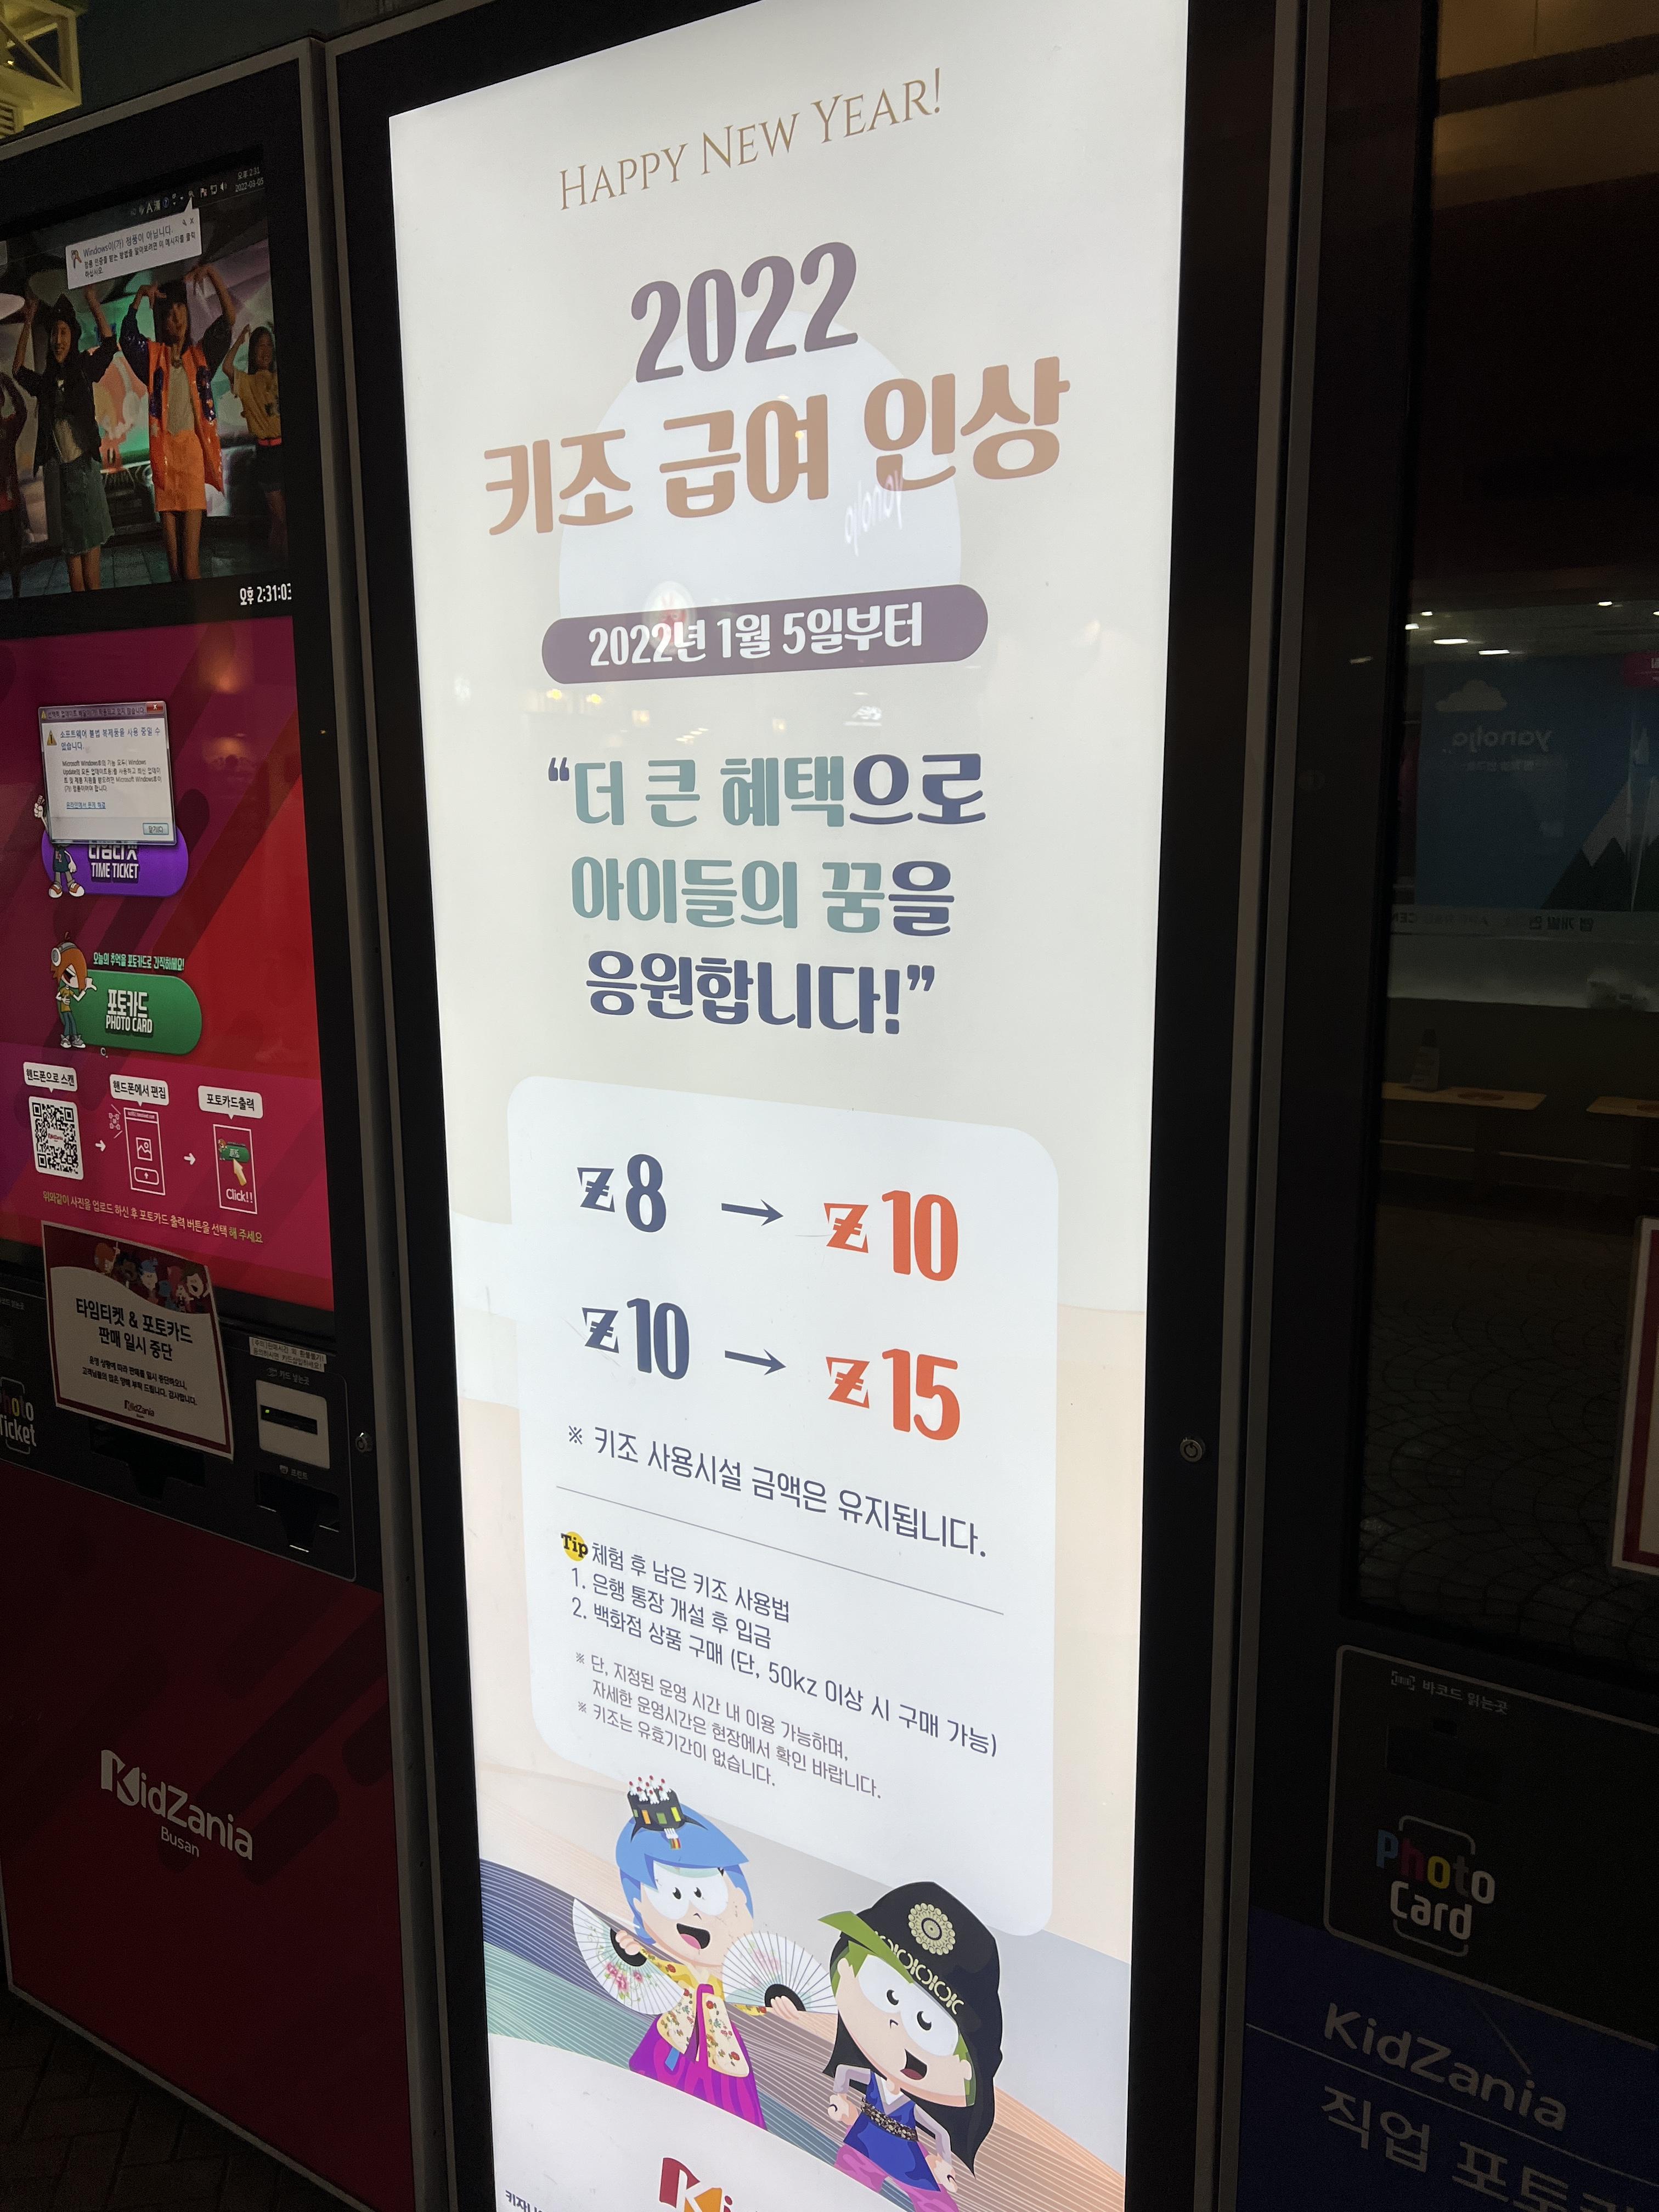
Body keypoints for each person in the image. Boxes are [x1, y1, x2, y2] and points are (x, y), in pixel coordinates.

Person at [576, 1779, 798, 2128]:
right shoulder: (676, 1970)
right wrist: (634, 1953)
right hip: (673, 2041)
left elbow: (747, 1998)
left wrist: (773, 2001)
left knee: (725, 2117)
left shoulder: (729, 1977)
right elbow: (655, 1970)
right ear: (639, 1905)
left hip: (720, 2051)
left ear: (739, 1898)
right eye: (672, 1898)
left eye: (706, 1895)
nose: (693, 1915)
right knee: (654, 2107)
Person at [821, 1882, 1003, 2207]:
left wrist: (943, 2160)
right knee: (841, 2192)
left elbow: (939, 2131)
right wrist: (841, 2098)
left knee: (936, 2204)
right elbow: (847, 2072)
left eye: (927, 2025)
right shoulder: (875, 2081)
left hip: (906, 2155)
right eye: (888, 1997)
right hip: (863, 2142)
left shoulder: (910, 2102)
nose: (897, 2029)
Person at [120, 263, 235, 581]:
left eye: (181, 309)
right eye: (170, 312)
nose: (177, 316)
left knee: (190, 565)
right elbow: (127, 337)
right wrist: (139, 296)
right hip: (164, 459)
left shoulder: (200, 356)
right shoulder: (154, 357)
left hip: (192, 457)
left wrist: (212, 274)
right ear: (163, 321)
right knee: (174, 568)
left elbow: (228, 319)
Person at [13, 290, 116, 591]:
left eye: (64, 332)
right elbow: (18, 370)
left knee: (91, 577)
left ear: (73, 336)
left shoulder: (83, 369)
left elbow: (110, 346)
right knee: (75, 577)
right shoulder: (46, 382)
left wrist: (93, 301)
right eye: (54, 333)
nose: (58, 340)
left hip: (85, 471)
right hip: (65, 478)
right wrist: (28, 321)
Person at [228, 323, 284, 561]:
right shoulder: (247, 382)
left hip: (283, 450)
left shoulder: (276, 378)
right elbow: (227, 367)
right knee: (282, 518)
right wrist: (240, 340)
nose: (266, 350)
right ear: (253, 351)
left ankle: (278, 565)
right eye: (261, 345)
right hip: (267, 454)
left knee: (279, 521)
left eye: (269, 345)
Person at [0, 366, 27, 596]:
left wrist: (8, 383)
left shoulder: (7, 427)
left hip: (9, 503)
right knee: (12, 554)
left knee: (14, 554)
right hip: (8, 502)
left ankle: (17, 594)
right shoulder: (7, 428)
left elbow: (22, 411)